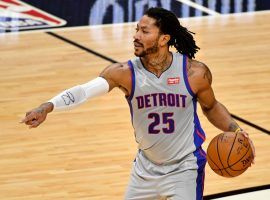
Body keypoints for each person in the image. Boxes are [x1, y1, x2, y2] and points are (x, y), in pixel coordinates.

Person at [21, 7, 255, 200]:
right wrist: (47, 107)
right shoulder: (124, 73)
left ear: (164, 39)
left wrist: (235, 129)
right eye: (136, 30)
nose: (136, 36)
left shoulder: (193, 72)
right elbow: (84, 91)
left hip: (185, 168)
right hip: (145, 170)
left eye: (144, 31)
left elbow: (211, 107)